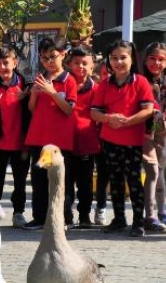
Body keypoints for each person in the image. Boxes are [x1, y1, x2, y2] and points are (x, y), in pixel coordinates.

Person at [90, 40, 155, 237]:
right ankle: (119, 219)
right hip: (109, 140)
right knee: (115, 180)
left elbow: (148, 110)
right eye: (114, 58)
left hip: (133, 140)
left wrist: (128, 121)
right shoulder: (105, 84)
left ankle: (138, 221)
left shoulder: (141, 82)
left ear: (132, 58)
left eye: (123, 58)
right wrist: (108, 118)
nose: (118, 62)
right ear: (109, 61)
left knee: (134, 181)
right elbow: (94, 112)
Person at [24, 37, 77, 230]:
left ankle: (64, 217)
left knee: (61, 181)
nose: (48, 61)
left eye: (52, 56)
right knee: (38, 180)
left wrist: (52, 91)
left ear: (63, 54)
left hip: (59, 141)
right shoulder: (40, 77)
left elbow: (69, 110)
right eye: (44, 57)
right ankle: (39, 217)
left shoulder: (69, 80)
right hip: (38, 137)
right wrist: (36, 92)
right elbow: (31, 108)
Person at [0, 45, 32, 228]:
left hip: (21, 143)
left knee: (20, 182)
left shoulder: (26, 85)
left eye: (6, 62)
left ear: (14, 63)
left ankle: (18, 213)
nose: (2, 67)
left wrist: (26, 98)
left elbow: (33, 111)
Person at [142, 42, 166, 231]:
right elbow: (145, 102)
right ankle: (149, 214)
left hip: (163, 130)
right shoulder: (140, 80)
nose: (156, 63)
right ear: (145, 59)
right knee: (152, 170)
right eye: (152, 58)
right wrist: (155, 111)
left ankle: (162, 210)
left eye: (161, 59)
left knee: (161, 171)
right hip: (144, 131)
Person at [64, 47, 99, 228]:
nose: (81, 67)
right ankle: (66, 215)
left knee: (85, 184)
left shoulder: (97, 89)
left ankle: (84, 215)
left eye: (85, 63)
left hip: (87, 142)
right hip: (65, 141)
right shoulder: (63, 84)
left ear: (92, 66)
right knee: (66, 183)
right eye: (77, 63)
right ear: (69, 65)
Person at [92, 56, 111, 226]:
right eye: (105, 73)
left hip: (110, 139)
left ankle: (102, 207)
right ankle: (96, 208)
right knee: (96, 175)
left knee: (106, 175)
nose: (108, 76)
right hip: (93, 138)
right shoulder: (96, 90)